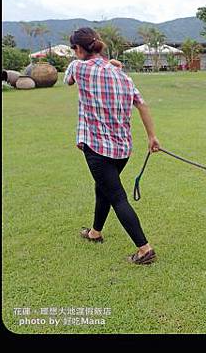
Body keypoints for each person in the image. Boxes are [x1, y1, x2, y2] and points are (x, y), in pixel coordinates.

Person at [64, 27, 159, 264]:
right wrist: (152, 137)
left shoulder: (78, 67)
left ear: (78, 48)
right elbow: (143, 105)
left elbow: (68, 81)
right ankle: (95, 232)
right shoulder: (122, 75)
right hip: (123, 149)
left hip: (96, 148)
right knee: (103, 188)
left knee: (116, 196)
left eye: (73, 48)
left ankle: (144, 249)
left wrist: (99, 63)